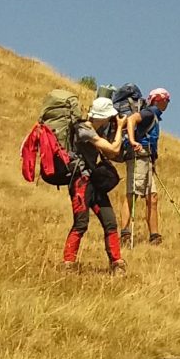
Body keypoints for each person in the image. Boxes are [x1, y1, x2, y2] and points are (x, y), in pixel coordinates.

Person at [63, 97, 127, 275]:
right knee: (81, 223)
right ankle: (68, 263)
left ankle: (117, 263)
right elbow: (113, 150)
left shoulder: (96, 130)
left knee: (110, 222)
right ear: (104, 116)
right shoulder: (84, 129)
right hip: (81, 183)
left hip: (94, 182)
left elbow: (114, 153)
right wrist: (121, 127)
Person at [119, 87, 170, 246]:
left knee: (152, 198)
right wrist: (134, 142)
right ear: (159, 100)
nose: (168, 103)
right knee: (132, 195)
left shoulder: (153, 114)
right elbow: (132, 119)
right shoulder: (150, 112)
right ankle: (125, 234)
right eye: (166, 100)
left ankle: (154, 236)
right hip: (139, 157)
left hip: (146, 159)